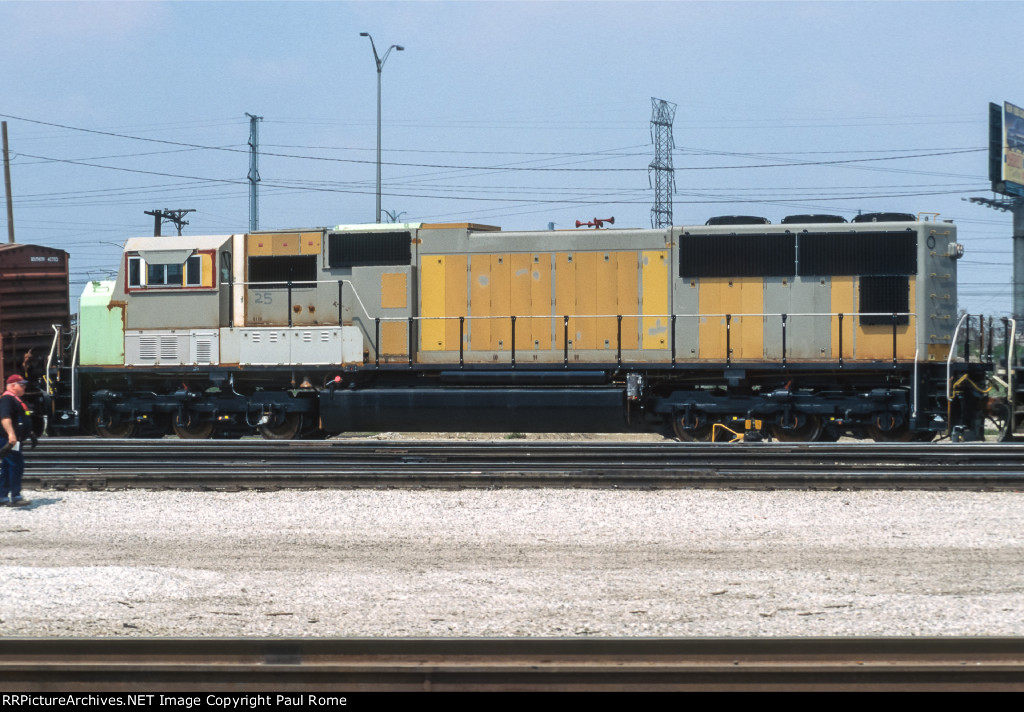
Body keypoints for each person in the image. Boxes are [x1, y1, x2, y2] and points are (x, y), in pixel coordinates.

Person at [0, 374, 34, 506]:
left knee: (8, 467)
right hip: (8, 439)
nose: (24, 387)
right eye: (22, 384)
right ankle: (16, 496)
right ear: (13, 386)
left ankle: (2, 496)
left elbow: (19, 419)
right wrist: (11, 435)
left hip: (11, 439)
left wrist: (29, 432)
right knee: (16, 465)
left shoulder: (15, 399)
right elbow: (5, 418)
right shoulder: (8, 399)